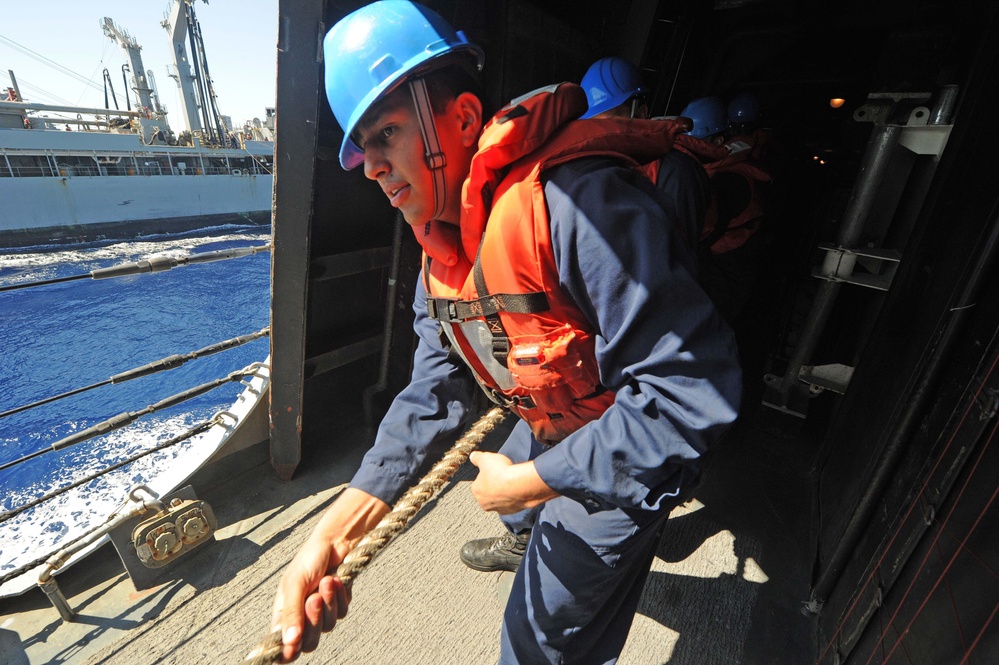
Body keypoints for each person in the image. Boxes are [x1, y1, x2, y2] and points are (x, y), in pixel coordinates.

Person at [271, 3, 742, 663]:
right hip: (556, 413)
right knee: (520, 507)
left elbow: (689, 392)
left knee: (535, 640)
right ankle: (529, 523)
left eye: (386, 134)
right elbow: (434, 391)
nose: (372, 166)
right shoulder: (443, 254)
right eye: (362, 152)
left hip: (627, 437)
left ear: (462, 119)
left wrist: (534, 479)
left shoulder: (580, 208)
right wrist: (333, 533)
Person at [579, 56, 713, 255]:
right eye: (595, 126)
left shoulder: (677, 173)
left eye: (610, 123)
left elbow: (678, 263)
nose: (602, 135)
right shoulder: (604, 164)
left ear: (641, 114)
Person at [679, 95, 774, 326]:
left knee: (706, 328)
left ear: (719, 139)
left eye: (697, 142)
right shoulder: (720, 168)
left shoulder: (731, 179)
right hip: (721, 259)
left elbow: (702, 228)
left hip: (728, 266)